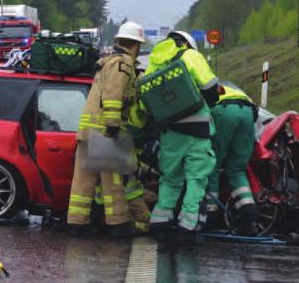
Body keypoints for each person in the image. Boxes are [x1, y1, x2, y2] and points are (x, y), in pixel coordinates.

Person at [67, 21, 146, 238]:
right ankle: (118, 224)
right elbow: (113, 94)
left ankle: (77, 223)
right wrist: (112, 125)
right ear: (136, 45)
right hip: (104, 130)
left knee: (83, 180)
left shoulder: (107, 62)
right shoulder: (123, 64)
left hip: (87, 130)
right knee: (113, 181)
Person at [143, 30, 219, 245]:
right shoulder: (191, 56)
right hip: (197, 128)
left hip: (170, 130)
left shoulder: (155, 62)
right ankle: (187, 227)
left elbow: (146, 101)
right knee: (196, 179)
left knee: (169, 178)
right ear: (186, 43)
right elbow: (210, 87)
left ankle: (159, 224)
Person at [208, 82, 259, 235]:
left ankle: (210, 217)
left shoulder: (195, 87)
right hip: (248, 110)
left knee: (213, 165)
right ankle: (250, 219)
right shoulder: (225, 87)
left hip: (224, 110)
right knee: (236, 169)